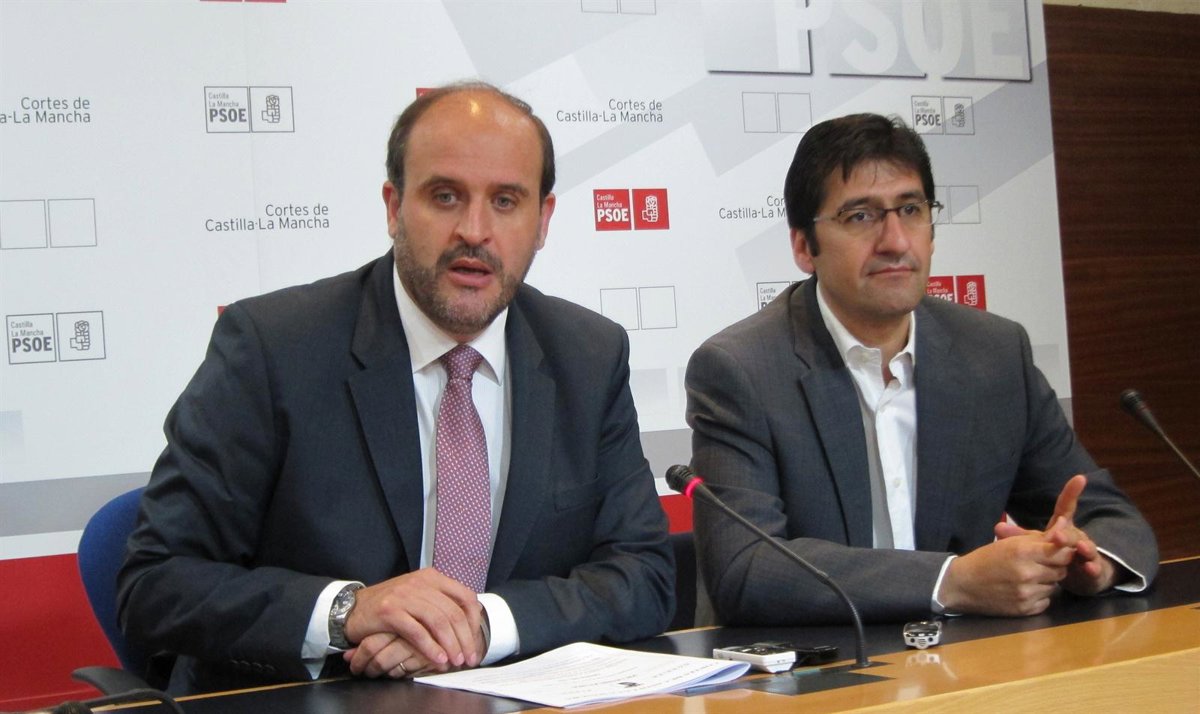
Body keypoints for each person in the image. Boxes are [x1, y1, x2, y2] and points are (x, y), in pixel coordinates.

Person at [118, 81, 673, 694]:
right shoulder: (273, 348)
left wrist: (483, 626)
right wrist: (345, 611)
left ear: (543, 221)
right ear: (393, 207)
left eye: (506, 201)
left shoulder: (587, 356)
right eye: (445, 196)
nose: (474, 231)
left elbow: (642, 575)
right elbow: (157, 581)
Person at [684, 113, 1157, 626]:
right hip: (821, 663)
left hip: (974, 662)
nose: (895, 241)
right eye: (860, 216)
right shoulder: (742, 370)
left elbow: (1112, 520)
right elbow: (746, 569)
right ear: (803, 246)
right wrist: (951, 581)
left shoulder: (994, 354)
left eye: (910, 210)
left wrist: (1088, 561)